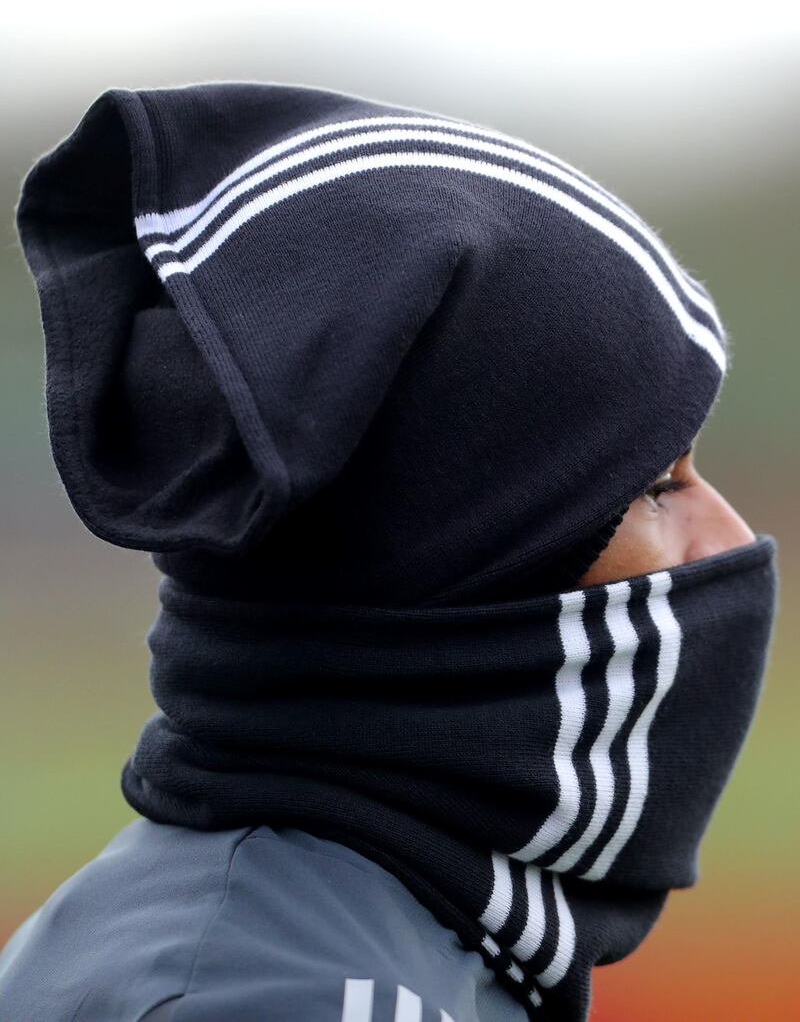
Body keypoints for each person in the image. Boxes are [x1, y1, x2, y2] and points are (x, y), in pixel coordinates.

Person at [0, 82, 778, 1022]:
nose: (731, 538)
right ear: (459, 562)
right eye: (656, 487)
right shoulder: (275, 996)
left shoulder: (365, 931)